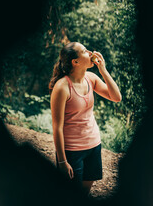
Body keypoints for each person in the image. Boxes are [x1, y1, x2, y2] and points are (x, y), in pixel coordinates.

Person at [49, 42, 122, 195]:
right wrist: (62, 161)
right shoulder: (62, 87)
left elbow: (116, 97)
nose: (90, 52)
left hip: (94, 146)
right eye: (84, 51)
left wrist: (103, 70)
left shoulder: (91, 78)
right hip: (72, 151)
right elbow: (57, 127)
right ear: (75, 62)